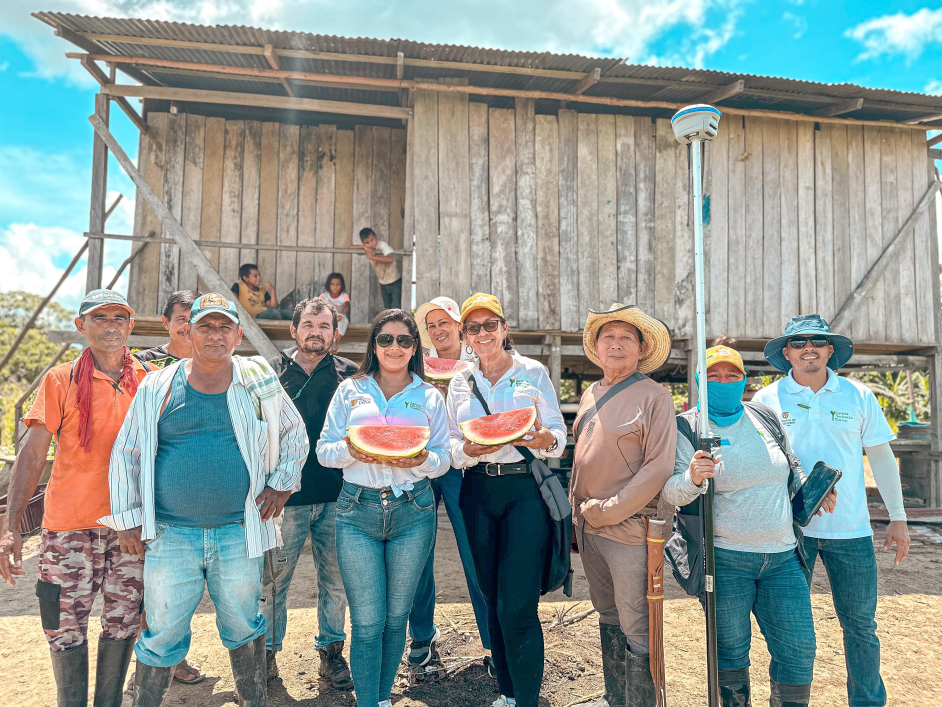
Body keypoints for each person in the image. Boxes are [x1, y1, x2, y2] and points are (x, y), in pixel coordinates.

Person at [101, 293, 308, 707]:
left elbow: (294, 433)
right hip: (171, 533)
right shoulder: (158, 384)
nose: (215, 335)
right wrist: (126, 519)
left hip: (239, 531)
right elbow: (127, 451)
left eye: (224, 326)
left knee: (242, 622)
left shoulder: (254, 377)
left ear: (238, 333)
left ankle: (253, 699)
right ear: (187, 331)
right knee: (162, 628)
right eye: (206, 326)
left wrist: (283, 484)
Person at [662, 342, 836, 707]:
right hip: (726, 561)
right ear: (698, 381)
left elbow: (792, 466)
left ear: (744, 379)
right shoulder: (687, 427)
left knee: (799, 651)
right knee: (731, 654)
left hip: (784, 559)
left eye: (732, 374)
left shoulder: (764, 416)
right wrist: (693, 478)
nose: (724, 381)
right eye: (713, 376)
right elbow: (672, 494)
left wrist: (811, 490)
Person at [0, 289, 150, 707]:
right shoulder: (60, 380)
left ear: (130, 326)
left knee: (123, 623)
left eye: (119, 317)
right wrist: (11, 526)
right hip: (68, 528)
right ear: (80, 326)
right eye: (99, 318)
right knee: (63, 627)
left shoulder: (149, 381)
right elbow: (32, 454)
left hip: (130, 529)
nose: (111, 326)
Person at [753, 314, 909, 707]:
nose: (810, 347)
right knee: (788, 628)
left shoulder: (858, 395)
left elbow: (882, 457)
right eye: (800, 341)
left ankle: (868, 702)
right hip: (789, 532)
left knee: (860, 625)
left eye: (818, 341)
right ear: (786, 352)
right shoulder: (766, 400)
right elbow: (757, 463)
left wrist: (899, 517)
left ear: (830, 350)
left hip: (852, 531)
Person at [317, 308, 451, 707]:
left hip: (415, 511)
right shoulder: (350, 390)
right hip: (356, 512)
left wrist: (420, 460)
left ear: (414, 348)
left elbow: (444, 457)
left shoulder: (428, 395)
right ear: (374, 345)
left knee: (396, 619)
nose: (395, 347)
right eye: (386, 339)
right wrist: (353, 450)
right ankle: (369, 702)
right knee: (368, 621)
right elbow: (325, 450)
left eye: (404, 340)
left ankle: (382, 699)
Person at [448, 293, 568, 707]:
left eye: (490, 325)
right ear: (465, 335)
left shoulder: (533, 372)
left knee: (517, 604)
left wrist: (545, 439)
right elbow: (450, 443)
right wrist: (468, 451)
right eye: (474, 328)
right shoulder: (460, 381)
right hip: (477, 491)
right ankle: (508, 693)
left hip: (523, 493)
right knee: (490, 596)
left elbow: (558, 433)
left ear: (504, 328)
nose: (483, 333)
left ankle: (528, 700)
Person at [570, 305, 676, 707]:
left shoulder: (655, 396)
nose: (616, 344)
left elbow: (659, 468)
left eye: (625, 338)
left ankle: (643, 702)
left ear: (641, 348)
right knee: (608, 614)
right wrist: (576, 519)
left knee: (637, 625)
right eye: (608, 337)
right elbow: (581, 458)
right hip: (590, 529)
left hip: (629, 530)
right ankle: (618, 698)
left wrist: (608, 509)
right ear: (597, 347)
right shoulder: (590, 392)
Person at [264, 298, 358, 689]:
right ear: (294, 330)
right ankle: (265, 657)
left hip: (340, 496)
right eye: (308, 324)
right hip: (282, 500)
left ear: (334, 333)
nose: (315, 332)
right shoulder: (269, 374)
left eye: (324, 325)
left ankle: (331, 655)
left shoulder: (351, 375)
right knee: (272, 583)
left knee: (335, 582)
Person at [406, 297, 491, 671]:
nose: (439, 330)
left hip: (462, 467)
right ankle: (422, 636)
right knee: (417, 555)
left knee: (475, 553)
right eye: (432, 325)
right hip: (423, 464)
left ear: (459, 325)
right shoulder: (415, 365)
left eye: (445, 322)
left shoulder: (478, 363)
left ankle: (493, 642)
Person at [132, 289, 206, 688]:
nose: (188, 324)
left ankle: (172, 656)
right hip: (147, 485)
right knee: (144, 581)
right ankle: (149, 664)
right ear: (166, 322)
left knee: (178, 583)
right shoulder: (141, 364)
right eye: (181, 316)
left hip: (191, 491)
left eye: (196, 317)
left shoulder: (211, 363)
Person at [133, 289, 202, 370]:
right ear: (166, 322)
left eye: (194, 319)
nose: (188, 327)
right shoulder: (143, 361)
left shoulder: (214, 363)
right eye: (181, 319)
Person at [350, 227, 402, 310]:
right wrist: (363, 247)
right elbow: (349, 248)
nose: (371, 243)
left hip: (394, 280)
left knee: (396, 306)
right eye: (367, 242)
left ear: (376, 237)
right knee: (387, 306)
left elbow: (390, 259)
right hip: (383, 282)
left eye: (372, 240)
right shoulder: (367, 249)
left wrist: (373, 257)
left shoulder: (382, 245)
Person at [320, 272, 351, 339]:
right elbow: (317, 305)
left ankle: (336, 342)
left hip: (340, 317)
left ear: (342, 285)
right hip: (327, 317)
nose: (335, 287)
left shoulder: (344, 296)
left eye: (338, 285)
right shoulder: (323, 296)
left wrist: (341, 314)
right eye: (332, 284)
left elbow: (346, 306)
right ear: (328, 285)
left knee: (343, 322)